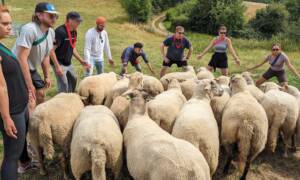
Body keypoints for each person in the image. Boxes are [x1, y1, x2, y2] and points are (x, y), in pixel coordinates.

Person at [12, 2, 58, 173]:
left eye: (55, 15)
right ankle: (29, 147)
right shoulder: (29, 29)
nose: (54, 18)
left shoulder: (50, 31)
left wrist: (46, 75)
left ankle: (35, 128)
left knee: (41, 96)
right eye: (50, 15)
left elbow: (46, 56)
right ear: (39, 15)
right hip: (17, 68)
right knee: (30, 103)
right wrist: (29, 85)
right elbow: (22, 58)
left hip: (31, 68)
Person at [0, 6, 30, 180]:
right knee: (12, 156)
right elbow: (1, 87)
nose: (9, 27)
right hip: (11, 111)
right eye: (4, 23)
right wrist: (6, 117)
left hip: (19, 106)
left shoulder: (2, 43)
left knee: (15, 152)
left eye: (10, 23)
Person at [50, 11, 90, 93]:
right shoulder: (60, 32)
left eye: (80, 21)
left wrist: (81, 61)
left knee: (74, 79)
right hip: (59, 62)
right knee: (64, 84)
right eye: (77, 21)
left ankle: (69, 98)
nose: (79, 23)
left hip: (68, 62)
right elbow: (51, 50)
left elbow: (72, 47)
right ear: (70, 20)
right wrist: (57, 66)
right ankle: (62, 101)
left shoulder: (74, 31)